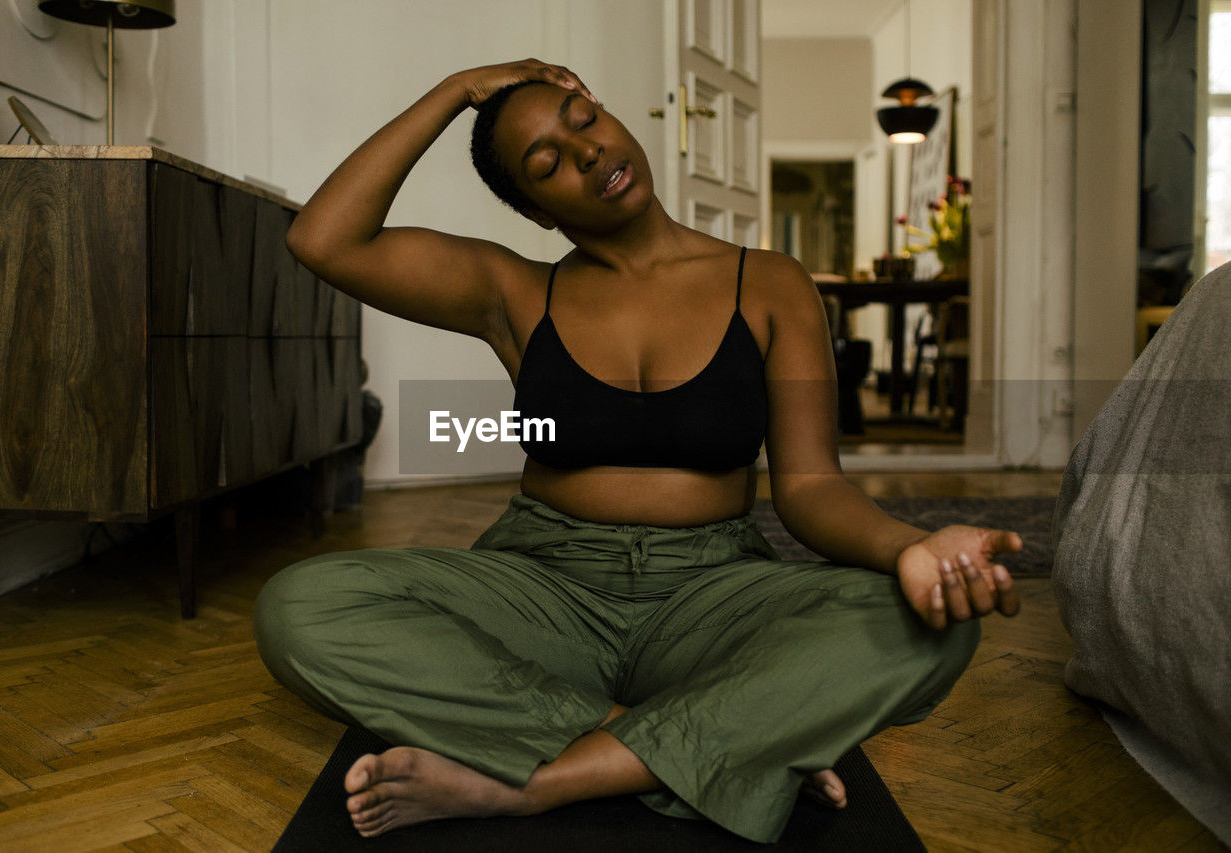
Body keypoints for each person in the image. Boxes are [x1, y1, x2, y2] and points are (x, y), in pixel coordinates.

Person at [254, 59, 1023, 844]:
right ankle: (721, 742)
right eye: (546, 163)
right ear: (536, 209)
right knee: (300, 606)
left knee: (934, 619)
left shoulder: (771, 283)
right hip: (544, 590)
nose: (585, 155)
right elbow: (324, 238)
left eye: (581, 122)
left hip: (712, 595)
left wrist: (914, 548)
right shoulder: (513, 292)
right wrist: (456, 89)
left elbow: (813, 488)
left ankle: (539, 783)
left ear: (608, 116)